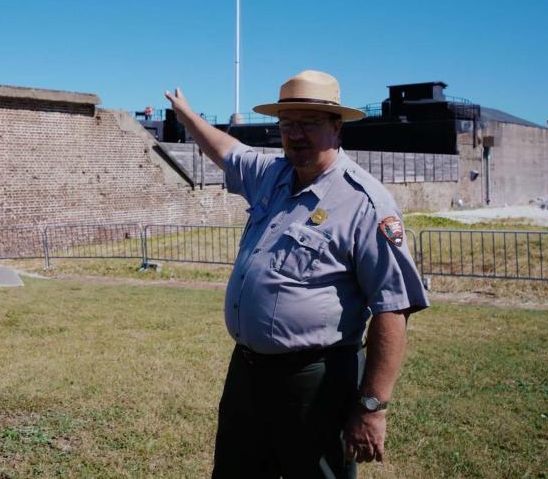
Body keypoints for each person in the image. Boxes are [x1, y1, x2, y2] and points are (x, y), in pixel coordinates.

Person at [164, 70, 429, 478]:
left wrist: (373, 407)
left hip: (316, 381)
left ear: (336, 127)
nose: (296, 134)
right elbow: (228, 151)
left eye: (309, 123)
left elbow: (393, 308)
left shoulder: (365, 203)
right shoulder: (273, 173)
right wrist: (188, 117)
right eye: (287, 124)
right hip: (248, 373)